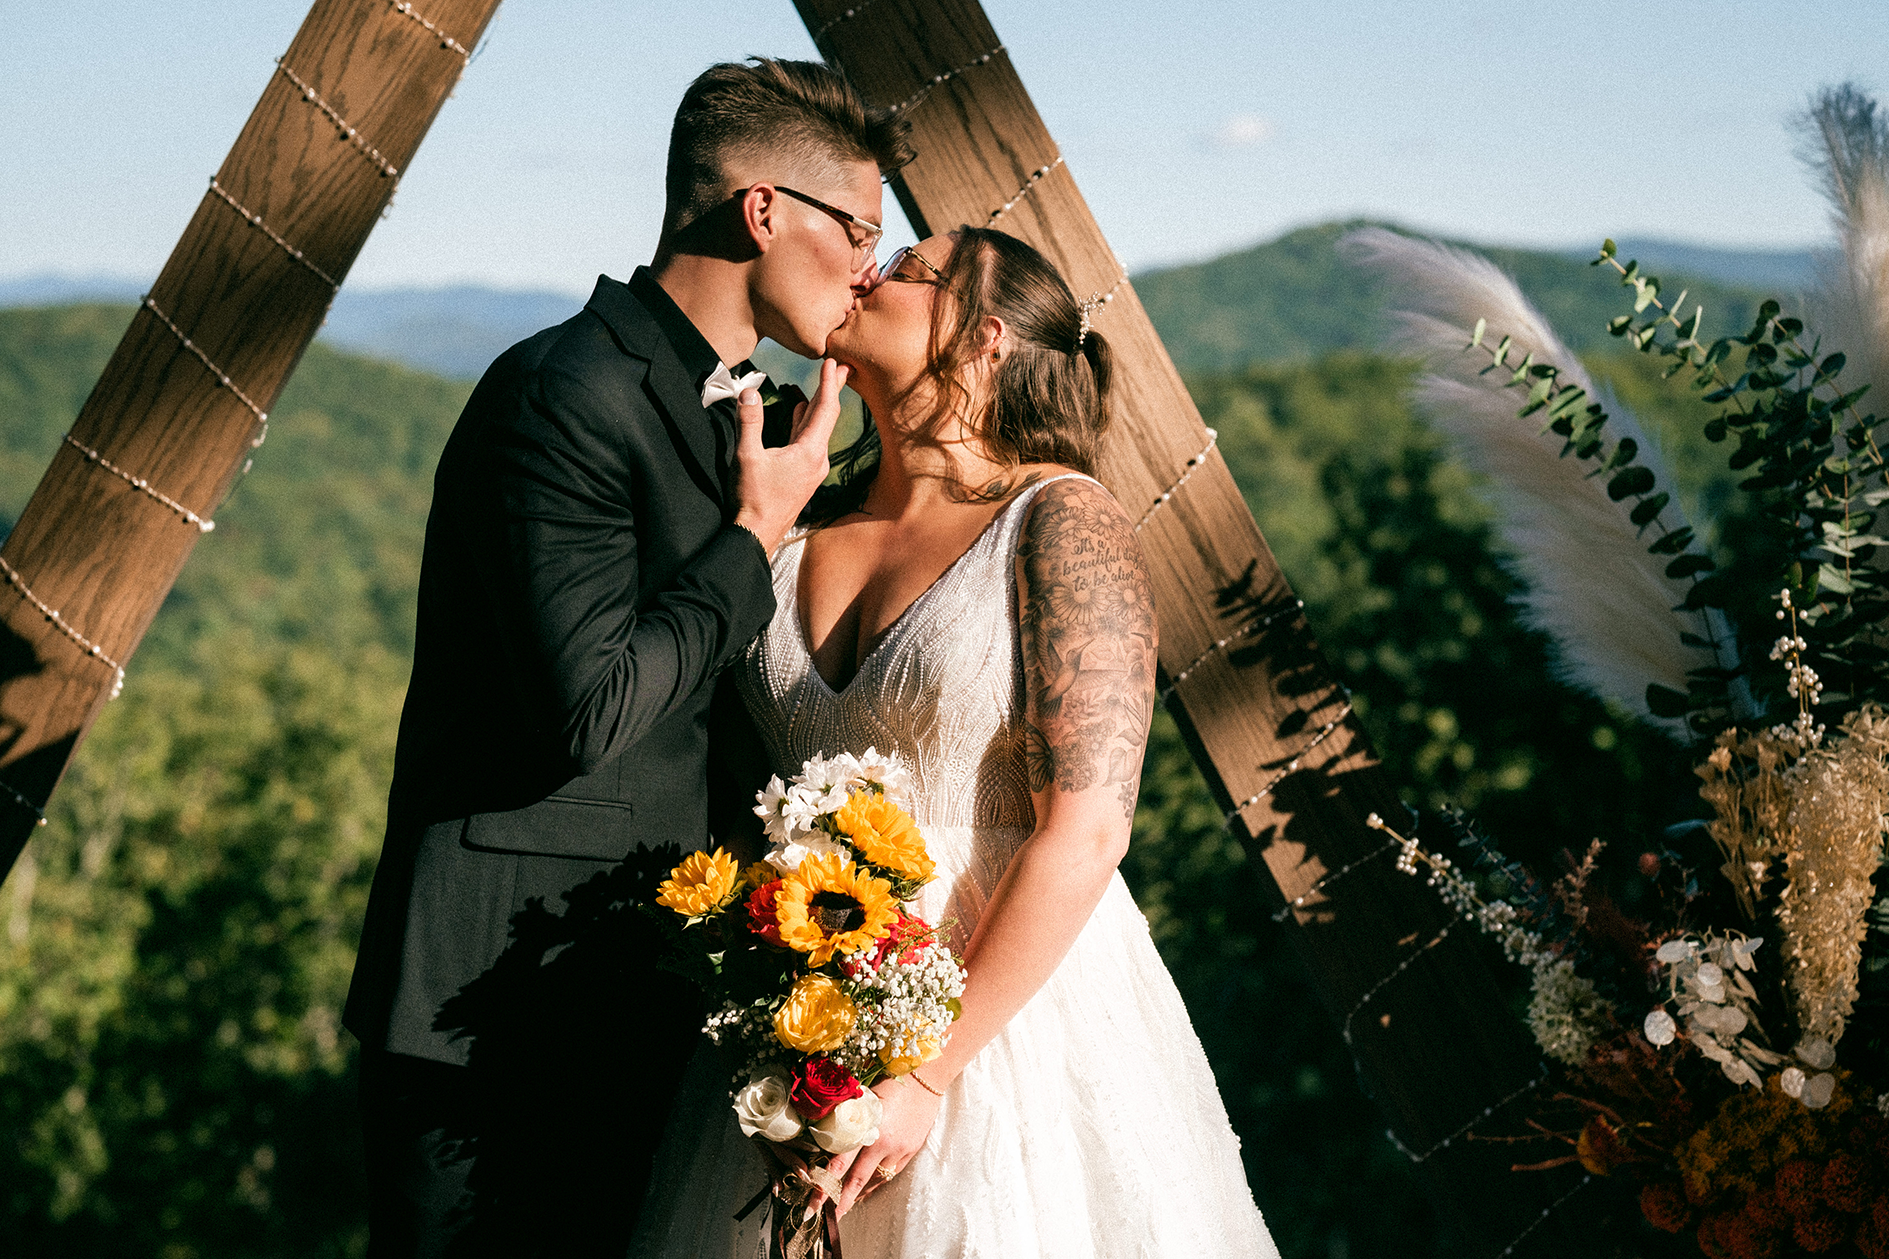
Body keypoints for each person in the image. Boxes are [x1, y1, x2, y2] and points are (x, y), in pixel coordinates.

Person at [341, 59, 912, 1256]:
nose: (871, 262)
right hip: (493, 1020)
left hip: (646, 1006)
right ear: (763, 211)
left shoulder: (754, 410)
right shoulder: (560, 394)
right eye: (861, 226)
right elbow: (589, 712)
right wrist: (755, 531)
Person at [631, 228, 1278, 1256]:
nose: (867, 272)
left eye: (905, 269)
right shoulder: (796, 527)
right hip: (804, 1014)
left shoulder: (1059, 522)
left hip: (1008, 1025)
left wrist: (927, 1074)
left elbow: (1086, 831)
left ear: (981, 340)